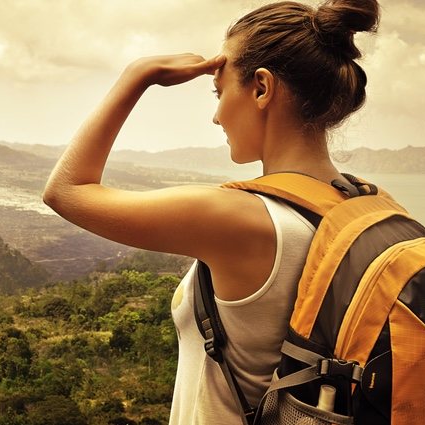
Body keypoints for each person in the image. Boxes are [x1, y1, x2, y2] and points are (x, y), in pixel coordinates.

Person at [43, 0, 380, 423]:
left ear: (261, 88)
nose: (216, 116)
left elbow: (65, 191)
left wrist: (137, 75)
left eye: (219, 93)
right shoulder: (363, 204)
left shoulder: (242, 217)